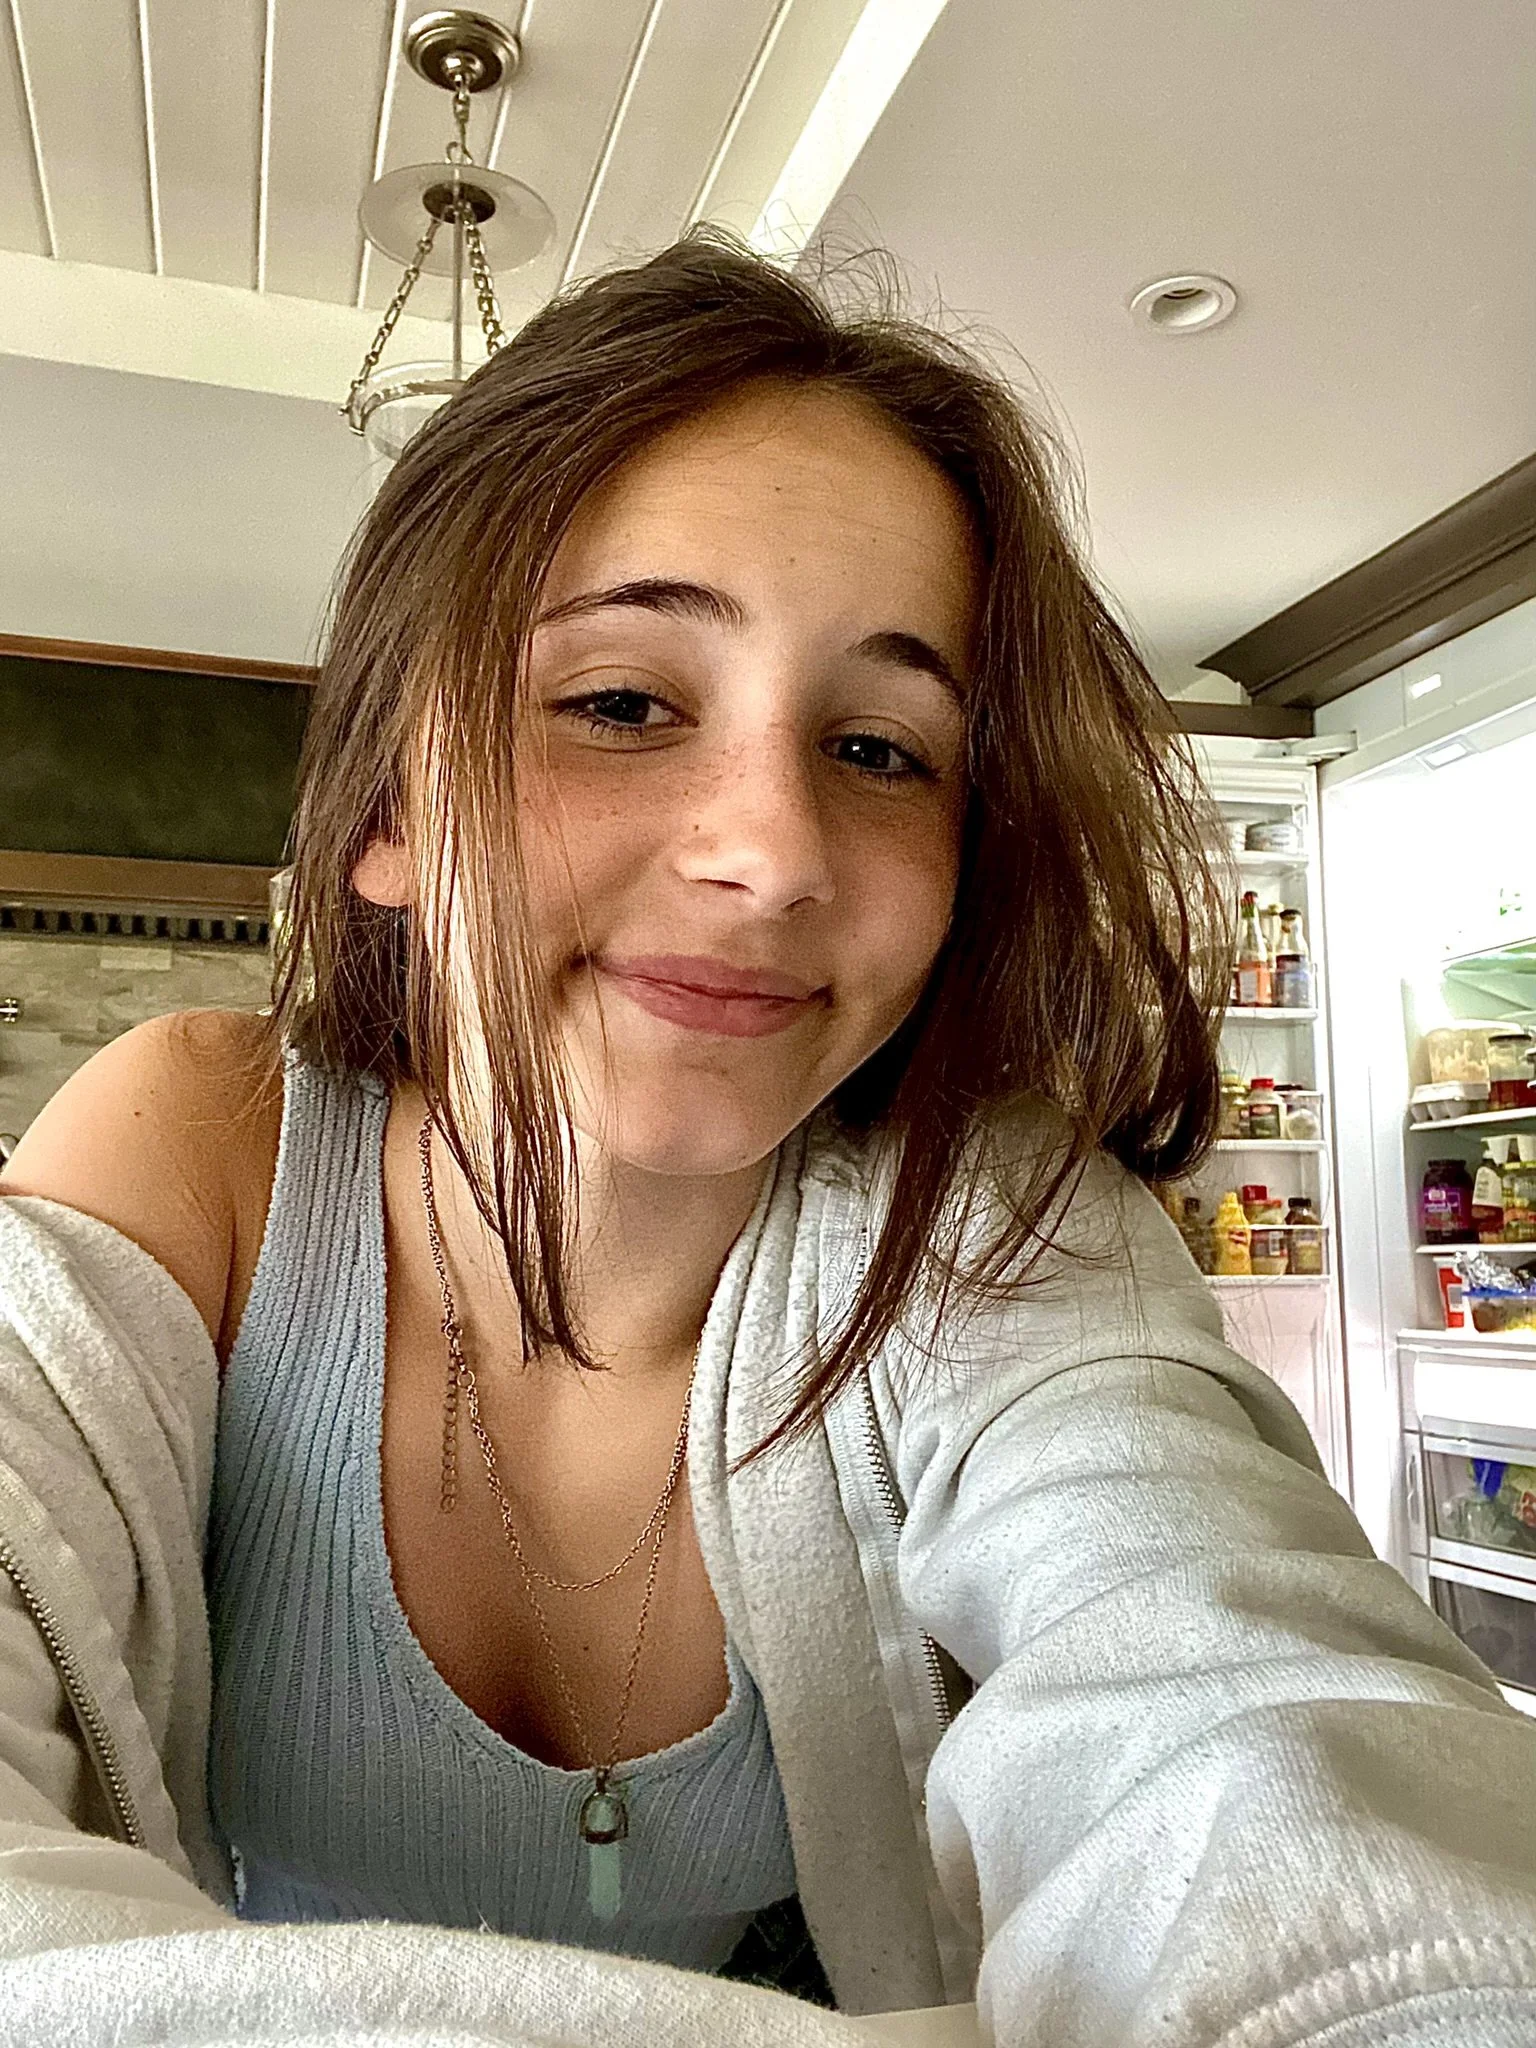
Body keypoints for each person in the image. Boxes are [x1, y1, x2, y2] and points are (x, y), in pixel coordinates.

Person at [2, 234, 1536, 2048]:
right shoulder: (205, 1142)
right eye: (623, 704)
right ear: (391, 814)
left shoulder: (996, 1220)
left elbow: (1235, 1699)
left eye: (884, 749)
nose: (775, 851)